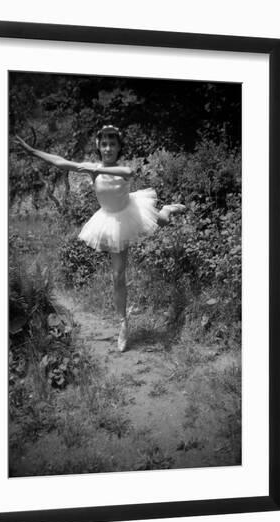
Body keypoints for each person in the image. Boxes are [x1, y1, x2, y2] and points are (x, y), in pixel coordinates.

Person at [14, 125, 185, 352]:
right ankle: (123, 323)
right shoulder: (92, 168)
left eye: (112, 144)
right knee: (117, 276)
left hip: (130, 211)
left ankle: (167, 209)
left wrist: (96, 169)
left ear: (119, 147)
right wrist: (33, 151)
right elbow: (60, 161)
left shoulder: (120, 167)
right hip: (111, 220)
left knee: (161, 220)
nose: (108, 148)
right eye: (104, 144)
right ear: (98, 146)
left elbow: (128, 173)